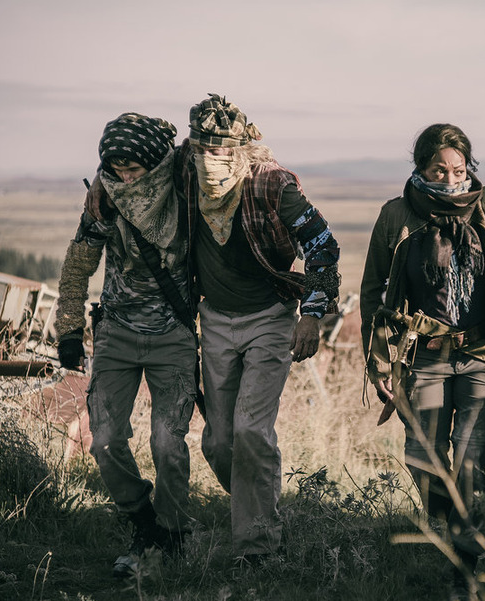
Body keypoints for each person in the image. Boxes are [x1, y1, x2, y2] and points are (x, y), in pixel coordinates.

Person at [87, 94, 341, 563]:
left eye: (221, 153)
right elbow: (138, 165)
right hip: (216, 320)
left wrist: (312, 314)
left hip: (269, 317)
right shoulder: (182, 168)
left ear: (241, 150)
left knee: (249, 429)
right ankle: (259, 505)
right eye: (201, 150)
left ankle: (258, 548)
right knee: (219, 441)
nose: (210, 162)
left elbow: (323, 245)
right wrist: (103, 186)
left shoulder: (273, 185)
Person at [360, 123, 485, 600]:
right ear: (421, 168)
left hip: (483, 356)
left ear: (469, 168)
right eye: (438, 168)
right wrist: (378, 362)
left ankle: (467, 559)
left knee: (473, 457)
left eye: (458, 169)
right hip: (423, 357)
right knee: (423, 456)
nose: (449, 178)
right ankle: (449, 525)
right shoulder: (397, 215)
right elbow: (372, 291)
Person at [55, 112, 198, 578]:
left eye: (134, 169)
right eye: (114, 169)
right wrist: (69, 329)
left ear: (157, 163)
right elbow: (78, 265)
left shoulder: (187, 190)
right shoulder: (106, 200)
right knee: (106, 439)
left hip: (174, 336)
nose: (124, 178)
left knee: (167, 443)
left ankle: (175, 534)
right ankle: (144, 523)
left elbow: (223, 158)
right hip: (116, 332)